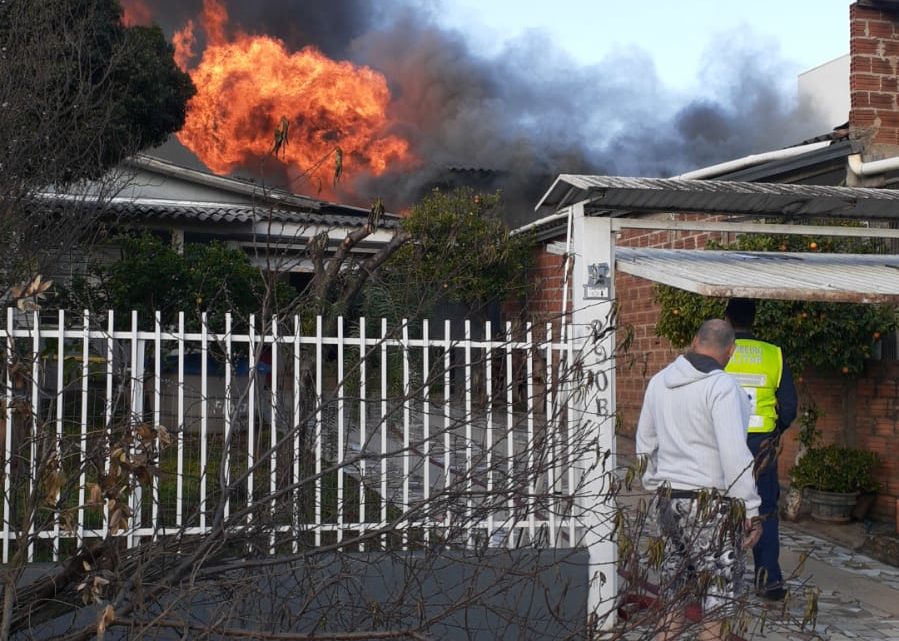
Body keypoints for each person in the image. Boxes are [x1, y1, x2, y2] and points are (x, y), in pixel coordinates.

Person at [636, 319, 762, 641]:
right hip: (711, 507)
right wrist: (750, 509)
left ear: (695, 341)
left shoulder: (659, 382)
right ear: (731, 351)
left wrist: (655, 484)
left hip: (667, 503)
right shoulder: (722, 387)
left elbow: (645, 445)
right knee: (717, 607)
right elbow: (734, 454)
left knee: (674, 601)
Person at [724, 298, 797, 602]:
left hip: (724, 440)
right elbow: (790, 406)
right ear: (754, 320)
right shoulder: (774, 354)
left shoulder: (719, 351)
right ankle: (768, 581)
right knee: (765, 510)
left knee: (722, 506)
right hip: (761, 445)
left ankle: (721, 578)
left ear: (726, 319)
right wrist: (775, 429)